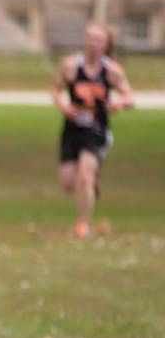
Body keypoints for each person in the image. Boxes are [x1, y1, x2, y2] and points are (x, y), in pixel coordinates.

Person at [50, 21, 134, 239]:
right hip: (72, 130)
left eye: (99, 40)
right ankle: (90, 183)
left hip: (97, 131)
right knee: (69, 184)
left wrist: (120, 103)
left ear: (106, 44)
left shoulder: (112, 71)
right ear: (85, 40)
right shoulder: (70, 66)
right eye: (91, 39)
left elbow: (130, 97)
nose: (94, 44)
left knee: (84, 175)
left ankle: (82, 226)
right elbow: (56, 89)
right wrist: (63, 106)